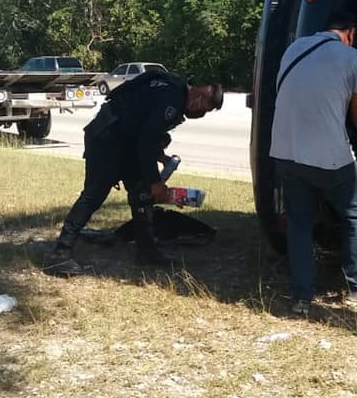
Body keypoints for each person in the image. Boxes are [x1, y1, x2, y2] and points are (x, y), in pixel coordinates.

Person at [44, 71, 224, 276]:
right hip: (107, 139)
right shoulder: (172, 102)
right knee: (94, 195)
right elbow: (145, 141)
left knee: (142, 195)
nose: (200, 113)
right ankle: (59, 255)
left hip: (125, 140)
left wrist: (158, 158)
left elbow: (141, 122)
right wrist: (156, 182)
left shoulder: (174, 84)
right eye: (203, 109)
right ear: (199, 98)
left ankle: (147, 252)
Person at [269, 11, 357, 316]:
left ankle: (301, 297)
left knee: (299, 224)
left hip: (284, 151)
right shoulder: (355, 59)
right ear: (350, 33)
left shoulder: (294, 49)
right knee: (356, 215)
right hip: (329, 158)